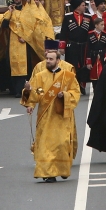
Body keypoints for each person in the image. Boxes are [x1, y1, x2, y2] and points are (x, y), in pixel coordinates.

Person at [21, 45, 80, 183]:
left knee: (61, 144)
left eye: (51, 59)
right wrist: (28, 92)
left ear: (58, 61)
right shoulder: (40, 77)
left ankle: (62, 170)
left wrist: (64, 95)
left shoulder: (68, 76)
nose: (48, 61)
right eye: (47, 58)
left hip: (61, 117)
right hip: (45, 117)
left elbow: (75, 93)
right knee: (45, 145)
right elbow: (39, 94)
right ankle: (47, 173)